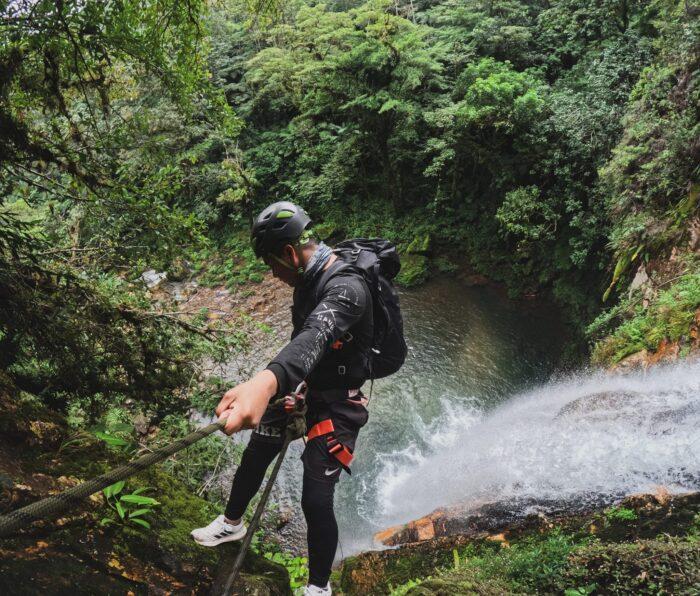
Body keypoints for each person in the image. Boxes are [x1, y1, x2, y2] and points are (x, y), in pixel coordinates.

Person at [191, 201, 375, 596]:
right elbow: (303, 344)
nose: (272, 275)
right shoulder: (307, 283)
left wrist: (265, 383)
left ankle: (318, 588)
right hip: (305, 386)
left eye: (272, 265)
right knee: (259, 447)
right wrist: (287, 389)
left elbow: (318, 336)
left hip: (339, 403)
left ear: (289, 254)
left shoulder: (348, 288)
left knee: (315, 496)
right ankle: (232, 524)